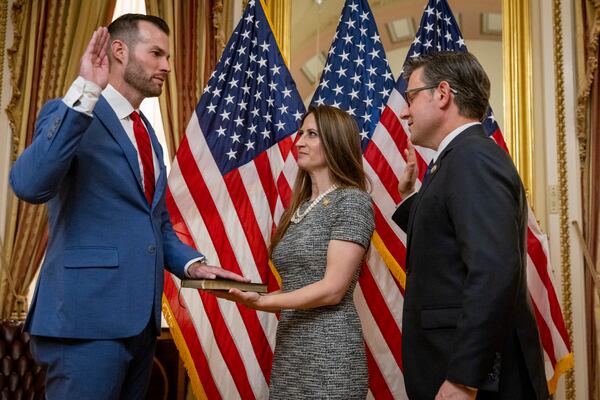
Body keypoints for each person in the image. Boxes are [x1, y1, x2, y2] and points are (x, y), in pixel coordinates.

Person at [9, 14, 245, 399]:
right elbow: (28, 184)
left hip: (140, 328)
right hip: (84, 324)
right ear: (119, 51)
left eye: (168, 56)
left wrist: (193, 264)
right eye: (156, 53)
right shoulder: (68, 111)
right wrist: (86, 90)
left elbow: (156, 223)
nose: (166, 66)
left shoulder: (148, 132)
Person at [392, 51, 549, 400]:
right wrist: (410, 197)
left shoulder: (472, 158)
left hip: (475, 381)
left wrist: (465, 376)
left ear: (443, 94)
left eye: (412, 97)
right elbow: (447, 242)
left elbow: (493, 269)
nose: (405, 111)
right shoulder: (458, 157)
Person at [212, 105, 375, 399]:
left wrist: (261, 304)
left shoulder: (352, 201)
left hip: (330, 353)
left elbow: (332, 289)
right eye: (301, 133)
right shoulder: (298, 209)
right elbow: (298, 285)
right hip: (291, 348)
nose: (298, 141)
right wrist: (250, 294)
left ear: (335, 141)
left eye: (311, 134)